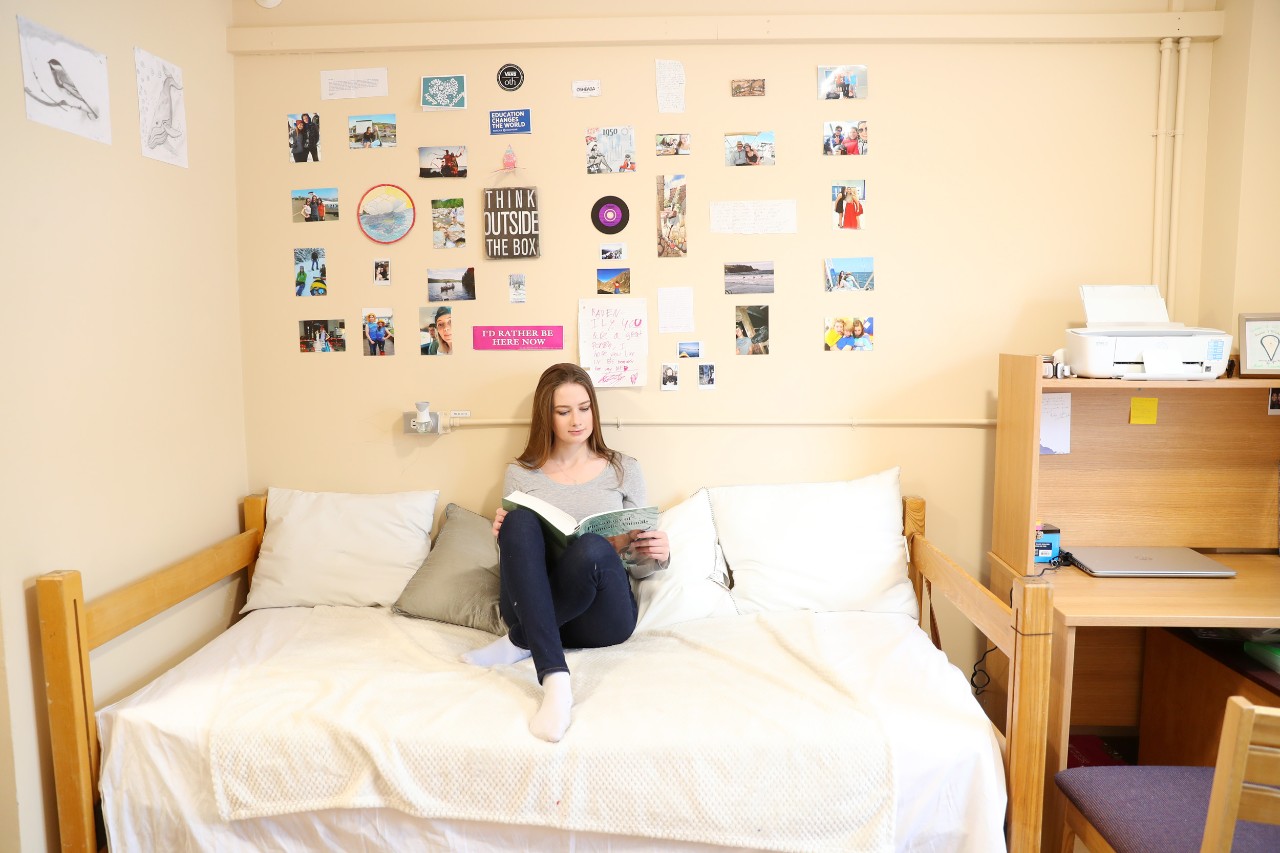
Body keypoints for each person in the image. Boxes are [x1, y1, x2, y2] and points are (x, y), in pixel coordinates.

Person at [462, 363, 670, 742]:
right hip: (533, 607)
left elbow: (638, 569)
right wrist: (502, 533)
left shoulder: (624, 469)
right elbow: (517, 562)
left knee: (592, 546)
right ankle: (556, 681)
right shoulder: (522, 473)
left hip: (601, 617)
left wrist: (656, 554)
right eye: (563, 411)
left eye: (585, 408)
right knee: (519, 523)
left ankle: (518, 643)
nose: (577, 420)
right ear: (546, 416)